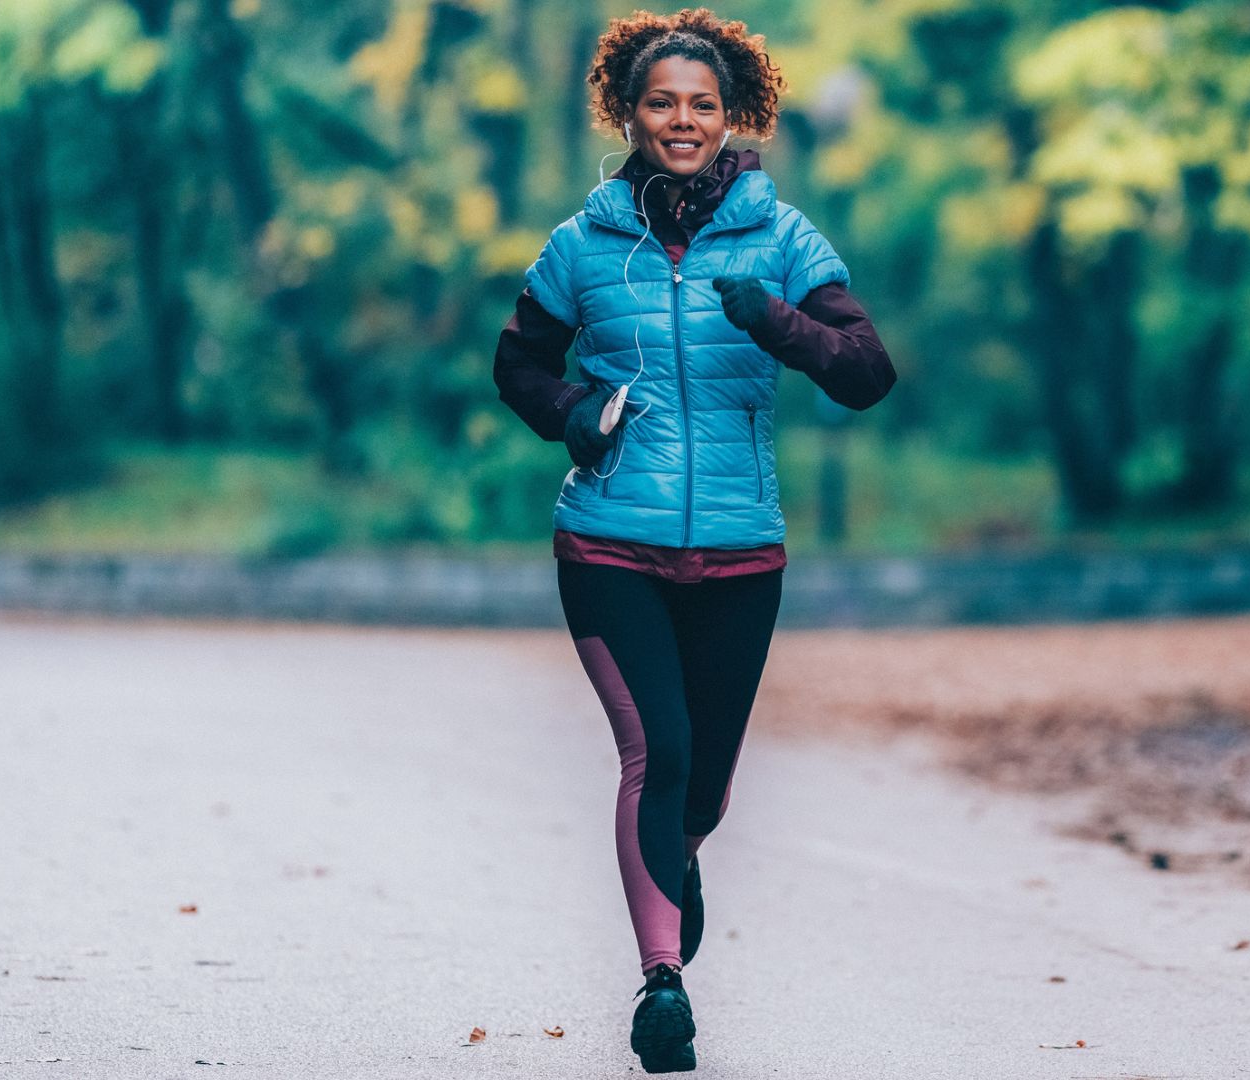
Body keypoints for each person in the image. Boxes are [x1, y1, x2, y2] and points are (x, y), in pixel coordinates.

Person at [490, 8, 895, 1073]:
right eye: (661, 102)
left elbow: (867, 372)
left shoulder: (783, 235)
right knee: (654, 752)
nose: (681, 120)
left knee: (703, 784)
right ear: (629, 111)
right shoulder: (582, 245)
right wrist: (572, 412)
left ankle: (680, 853)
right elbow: (517, 367)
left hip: (739, 552)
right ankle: (660, 983)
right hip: (608, 540)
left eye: (701, 105)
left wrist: (780, 324)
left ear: (732, 117)